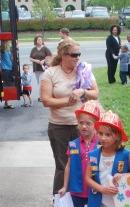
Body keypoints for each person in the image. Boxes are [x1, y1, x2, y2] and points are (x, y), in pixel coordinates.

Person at [41, 40, 99, 196]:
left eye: (79, 54)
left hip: (83, 126)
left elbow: (95, 93)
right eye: (74, 54)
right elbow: (46, 100)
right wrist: (69, 101)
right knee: (62, 164)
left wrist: (82, 92)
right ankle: (59, 200)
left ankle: (82, 195)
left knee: (85, 163)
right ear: (63, 54)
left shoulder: (84, 70)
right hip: (59, 126)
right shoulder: (50, 73)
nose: (77, 58)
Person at [58, 101, 102, 207]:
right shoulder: (74, 144)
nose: (84, 126)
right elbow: (68, 166)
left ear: (96, 125)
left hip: (94, 190)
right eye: (81, 123)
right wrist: (65, 186)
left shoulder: (101, 144)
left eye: (88, 123)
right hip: (76, 189)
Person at [29, 35, 53, 103]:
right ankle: (43, 94)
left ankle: (41, 96)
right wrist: (35, 60)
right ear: (36, 41)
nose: (40, 41)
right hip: (36, 67)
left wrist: (44, 60)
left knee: (41, 82)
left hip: (44, 67)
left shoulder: (45, 48)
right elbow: (30, 58)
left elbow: (50, 56)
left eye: (41, 40)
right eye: (38, 40)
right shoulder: (33, 49)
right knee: (38, 81)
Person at [0, 42, 15, 109]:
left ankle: (6, 101)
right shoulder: (4, 51)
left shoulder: (4, 51)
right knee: (9, 85)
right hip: (6, 69)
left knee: (6, 85)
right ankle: (7, 102)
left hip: (7, 69)